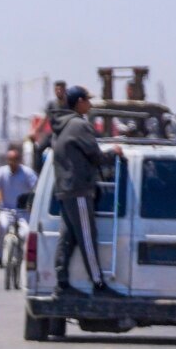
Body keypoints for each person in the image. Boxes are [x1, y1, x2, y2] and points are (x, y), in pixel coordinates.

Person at [50, 85, 125, 299]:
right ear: (79, 102)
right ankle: (98, 285)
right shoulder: (79, 125)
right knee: (87, 238)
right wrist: (115, 152)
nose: (90, 105)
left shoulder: (61, 125)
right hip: (79, 190)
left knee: (67, 238)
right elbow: (96, 156)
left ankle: (61, 284)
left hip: (64, 190)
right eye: (88, 100)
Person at [0, 148, 38, 267]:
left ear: (19, 160)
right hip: (6, 210)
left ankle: (25, 258)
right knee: (2, 227)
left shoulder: (27, 173)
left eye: (14, 160)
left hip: (23, 211)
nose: (12, 163)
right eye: (10, 160)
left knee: (26, 233)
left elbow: (36, 189)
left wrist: (33, 203)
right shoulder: (1, 172)